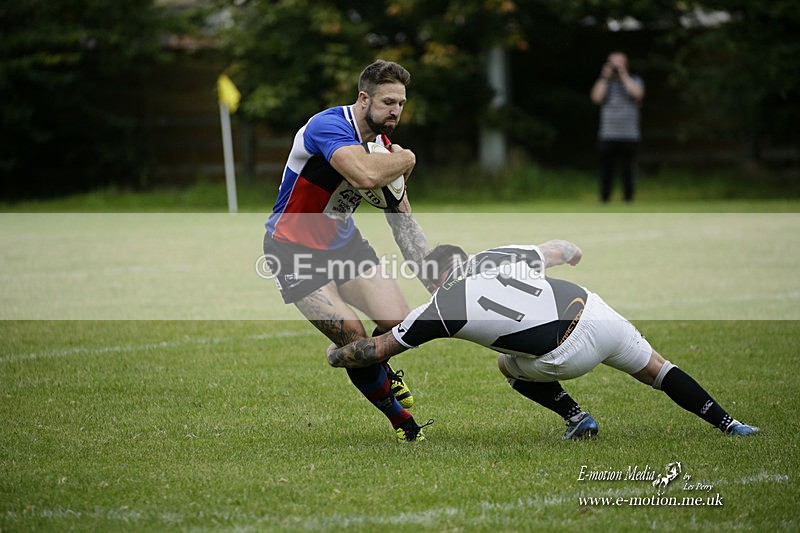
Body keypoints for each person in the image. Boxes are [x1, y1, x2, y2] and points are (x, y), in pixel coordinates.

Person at [326, 240, 760, 440]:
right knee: (658, 370)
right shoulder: (494, 256)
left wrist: (336, 354)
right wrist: (571, 253)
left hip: (565, 354)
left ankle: (577, 418)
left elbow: (377, 349)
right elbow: (560, 250)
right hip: (597, 313)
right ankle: (729, 424)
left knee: (506, 366)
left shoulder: (440, 307)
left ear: (433, 278)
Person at [262, 60, 431, 442]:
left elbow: (401, 219)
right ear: (363, 98)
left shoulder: (382, 148)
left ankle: (365, 363)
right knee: (355, 339)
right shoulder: (329, 126)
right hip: (293, 250)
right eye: (388, 101)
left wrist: (432, 278)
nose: (396, 111)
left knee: (399, 323)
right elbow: (366, 175)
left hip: (346, 247)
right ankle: (401, 418)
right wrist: (407, 159)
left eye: (401, 103)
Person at [590, 51, 645, 203]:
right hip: (608, 133)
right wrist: (604, 77)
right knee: (606, 170)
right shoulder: (605, 82)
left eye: (619, 63)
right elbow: (596, 98)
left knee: (628, 170)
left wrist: (624, 75)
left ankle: (628, 199)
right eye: (613, 63)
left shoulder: (634, 79)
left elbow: (638, 95)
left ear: (626, 65)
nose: (616, 66)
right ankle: (604, 199)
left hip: (629, 133)